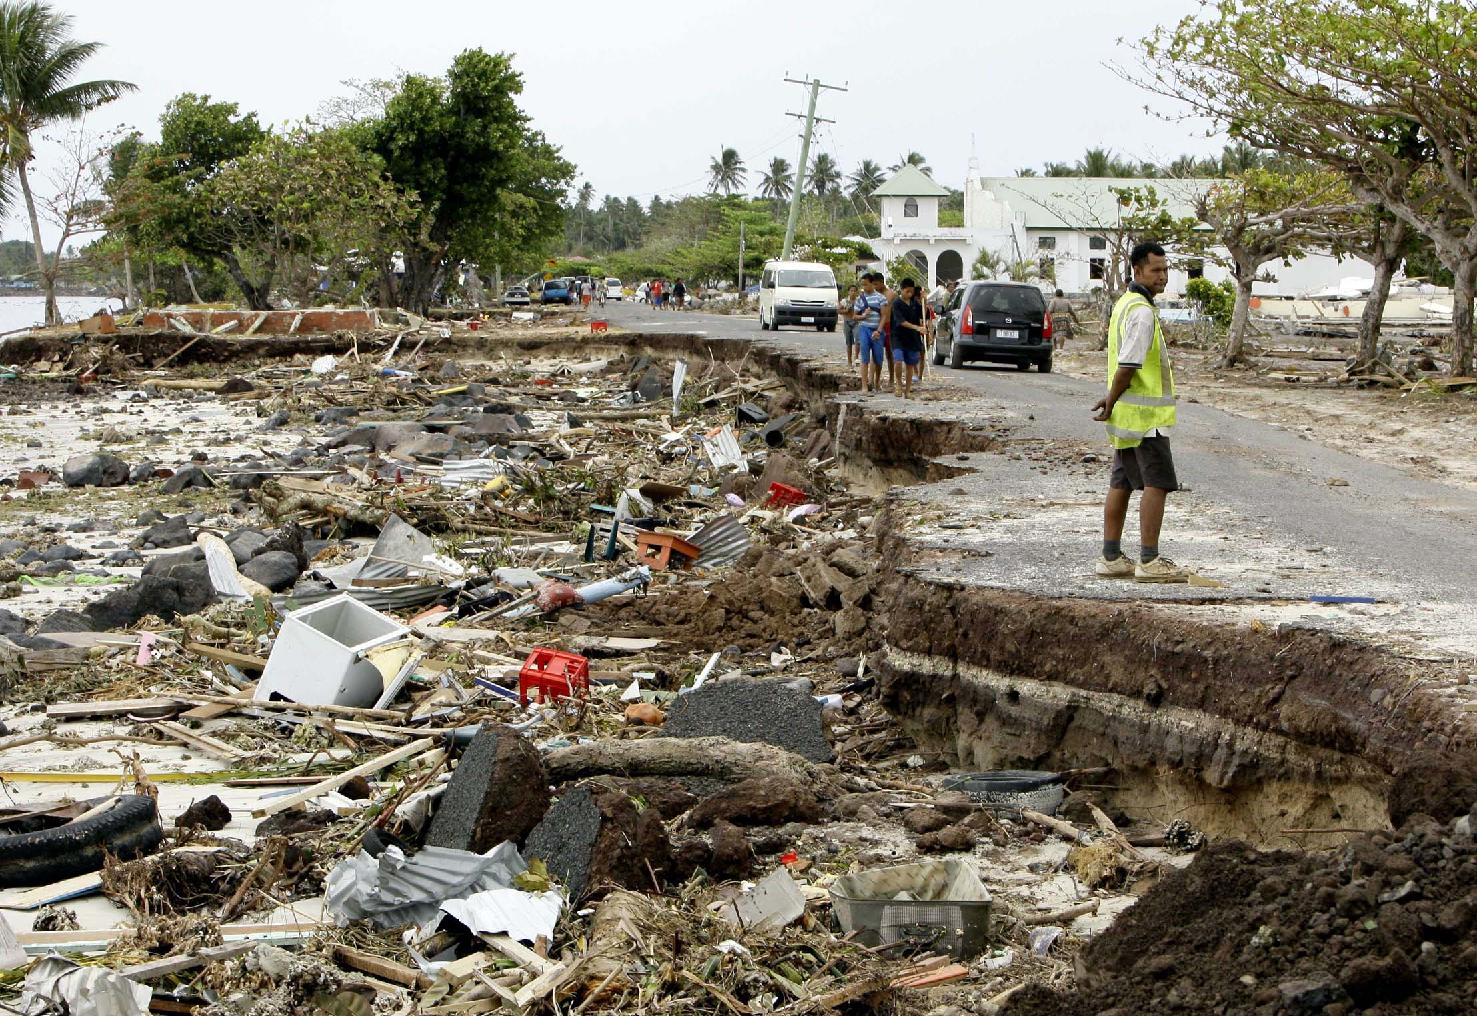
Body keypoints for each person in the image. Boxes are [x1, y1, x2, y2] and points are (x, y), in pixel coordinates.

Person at [1092, 241, 1188, 583]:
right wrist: (1112, 398)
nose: (1162, 276)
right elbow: (1129, 364)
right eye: (1155, 270)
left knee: (1121, 481)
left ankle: (1111, 555)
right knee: (1157, 483)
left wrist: (1112, 401)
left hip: (1127, 419)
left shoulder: (1125, 304)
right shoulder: (1142, 311)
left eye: (1165, 270)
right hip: (1146, 421)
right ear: (1137, 271)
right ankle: (1149, 560)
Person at [889, 278, 926, 399]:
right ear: (902, 290)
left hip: (912, 338)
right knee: (898, 360)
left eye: (911, 291)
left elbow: (923, 314)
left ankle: (908, 390)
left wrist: (925, 300)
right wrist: (917, 327)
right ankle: (899, 384)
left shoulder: (915, 303)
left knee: (910, 364)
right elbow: (901, 322)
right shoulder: (896, 304)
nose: (909, 294)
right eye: (907, 291)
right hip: (898, 337)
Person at [852, 275, 887, 393]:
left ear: (872, 283)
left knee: (878, 358)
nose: (864, 287)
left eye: (866, 284)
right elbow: (854, 315)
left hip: (877, 329)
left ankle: (876, 382)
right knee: (865, 358)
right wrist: (863, 316)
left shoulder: (881, 298)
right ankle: (864, 385)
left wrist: (879, 330)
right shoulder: (860, 299)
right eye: (863, 284)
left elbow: (884, 315)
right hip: (864, 329)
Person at [841, 284, 860, 367]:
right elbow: (838, 310)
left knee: (858, 340)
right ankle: (849, 361)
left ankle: (856, 358)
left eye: (854, 291)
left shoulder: (859, 301)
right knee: (849, 343)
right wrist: (846, 310)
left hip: (856, 322)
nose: (853, 292)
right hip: (847, 322)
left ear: (857, 292)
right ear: (848, 292)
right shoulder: (845, 301)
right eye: (851, 291)